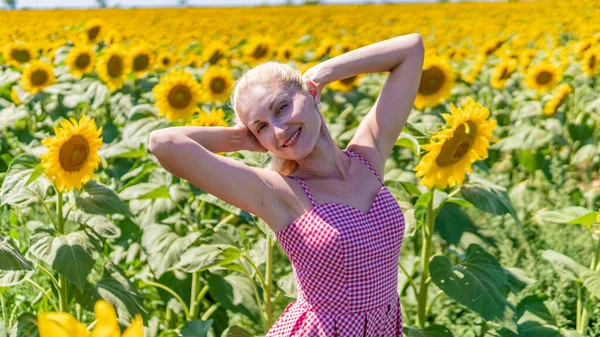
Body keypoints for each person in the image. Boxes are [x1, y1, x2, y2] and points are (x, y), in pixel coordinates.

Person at [149, 33, 424, 337]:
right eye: (262, 127)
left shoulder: (368, 159)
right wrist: (241, 139)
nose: (279, 131)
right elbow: (163, 143)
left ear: (311, 94)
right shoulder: (280, 193)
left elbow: (411, 49)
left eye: (281, 108)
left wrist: (321, 72)